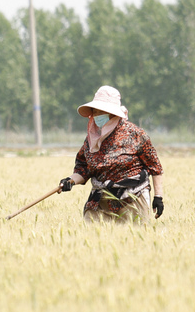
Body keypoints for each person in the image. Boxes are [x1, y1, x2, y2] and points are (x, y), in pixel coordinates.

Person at [56, 85, 165, 222]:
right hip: (100, 201)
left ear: (113, 113)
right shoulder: (92, 139)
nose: (97, 115)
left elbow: (155, 167)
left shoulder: (135, 134)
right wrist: (70, 181)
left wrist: (158, 197)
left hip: (132, 199)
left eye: (101, 111)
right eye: (94, 112)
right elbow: (84, 169)